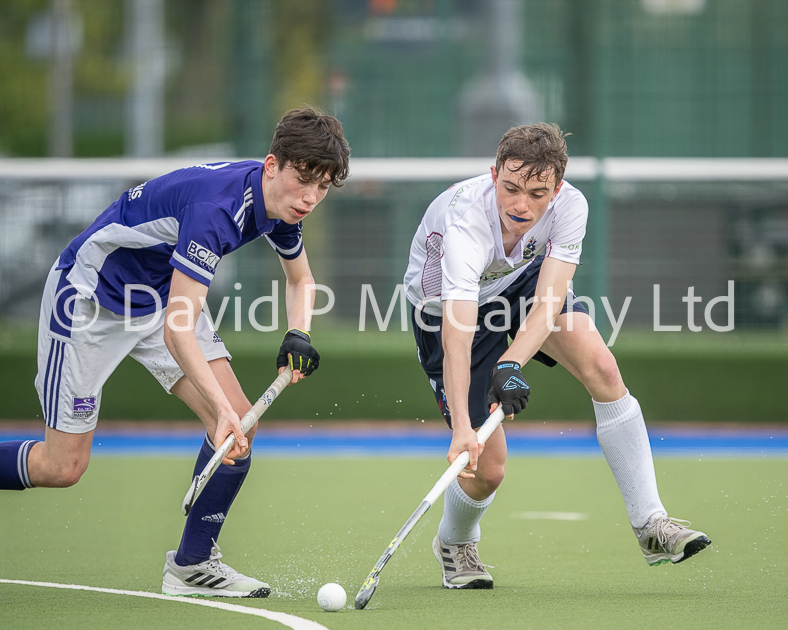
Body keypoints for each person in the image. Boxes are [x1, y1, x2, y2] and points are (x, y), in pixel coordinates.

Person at [0, 107, 350, 598]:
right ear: (272, 164)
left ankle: (191, 566)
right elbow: (178, 333)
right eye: (303, 180)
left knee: (236, 429)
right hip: (88, 301)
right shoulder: (217, 210)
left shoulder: (280, 207)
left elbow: (302, 280)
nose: (311, 197)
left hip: (158, 297)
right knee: (62, 469)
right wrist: (223, 410)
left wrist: (300, 334)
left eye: (324, 187)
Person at [403, 123, 711, 590]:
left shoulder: (571, 206)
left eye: (536, 192)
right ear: (493, 175)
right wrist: (463, 431)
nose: (520, 205)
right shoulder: (466, 223)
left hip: (522, 284)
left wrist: (511, 365)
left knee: (603, 366)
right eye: (509, 188)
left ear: (557, 188)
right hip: (447, 311)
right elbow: (458, 335)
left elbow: (549, 302)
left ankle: (651, 525)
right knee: (488, 469)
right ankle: (454, 542)